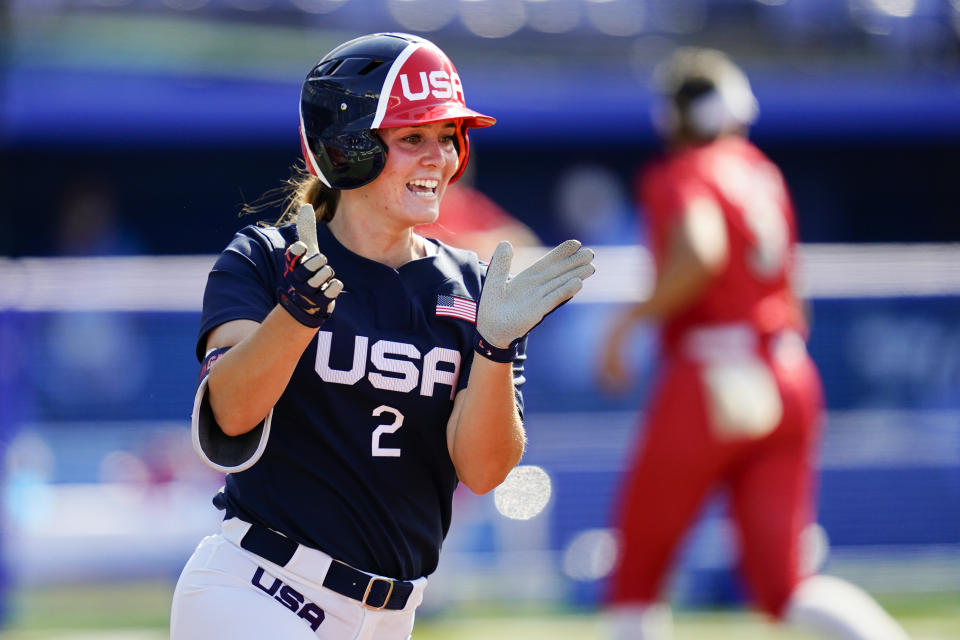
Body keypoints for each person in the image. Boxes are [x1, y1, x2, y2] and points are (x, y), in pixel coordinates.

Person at [170, 32, 595, 639]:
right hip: (262, 591)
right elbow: (230, 417)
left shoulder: (474, 286)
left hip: (392, 617)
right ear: (348, 147)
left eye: (448, 138)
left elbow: (484, 470)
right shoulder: (266, 257)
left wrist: (495, 347)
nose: (440, 158)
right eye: (414, 137)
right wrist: (298, 311)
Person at [597, 48, 910, 640]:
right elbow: (793, 293)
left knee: (636, 571)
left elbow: (701, 251)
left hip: (713, 371)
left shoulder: (685, 171)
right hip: (785, 367)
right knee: (787, 586)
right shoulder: (762, 171)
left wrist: (627, 322)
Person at [414, 155, 540, 262]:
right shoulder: (415, 201)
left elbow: (524, 238)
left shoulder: (465, 198)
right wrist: (463, 245)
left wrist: (480, 243)